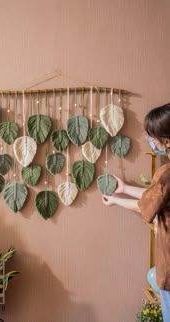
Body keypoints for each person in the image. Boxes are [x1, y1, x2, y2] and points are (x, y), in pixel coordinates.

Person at [102, 103, 170, 322]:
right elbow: (156, 196)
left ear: (166, 141)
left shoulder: (167, 173)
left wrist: (115, 200)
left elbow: (147, 206)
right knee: (153, 275)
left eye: (151, 137)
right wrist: (123, 189)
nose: (150, 141)